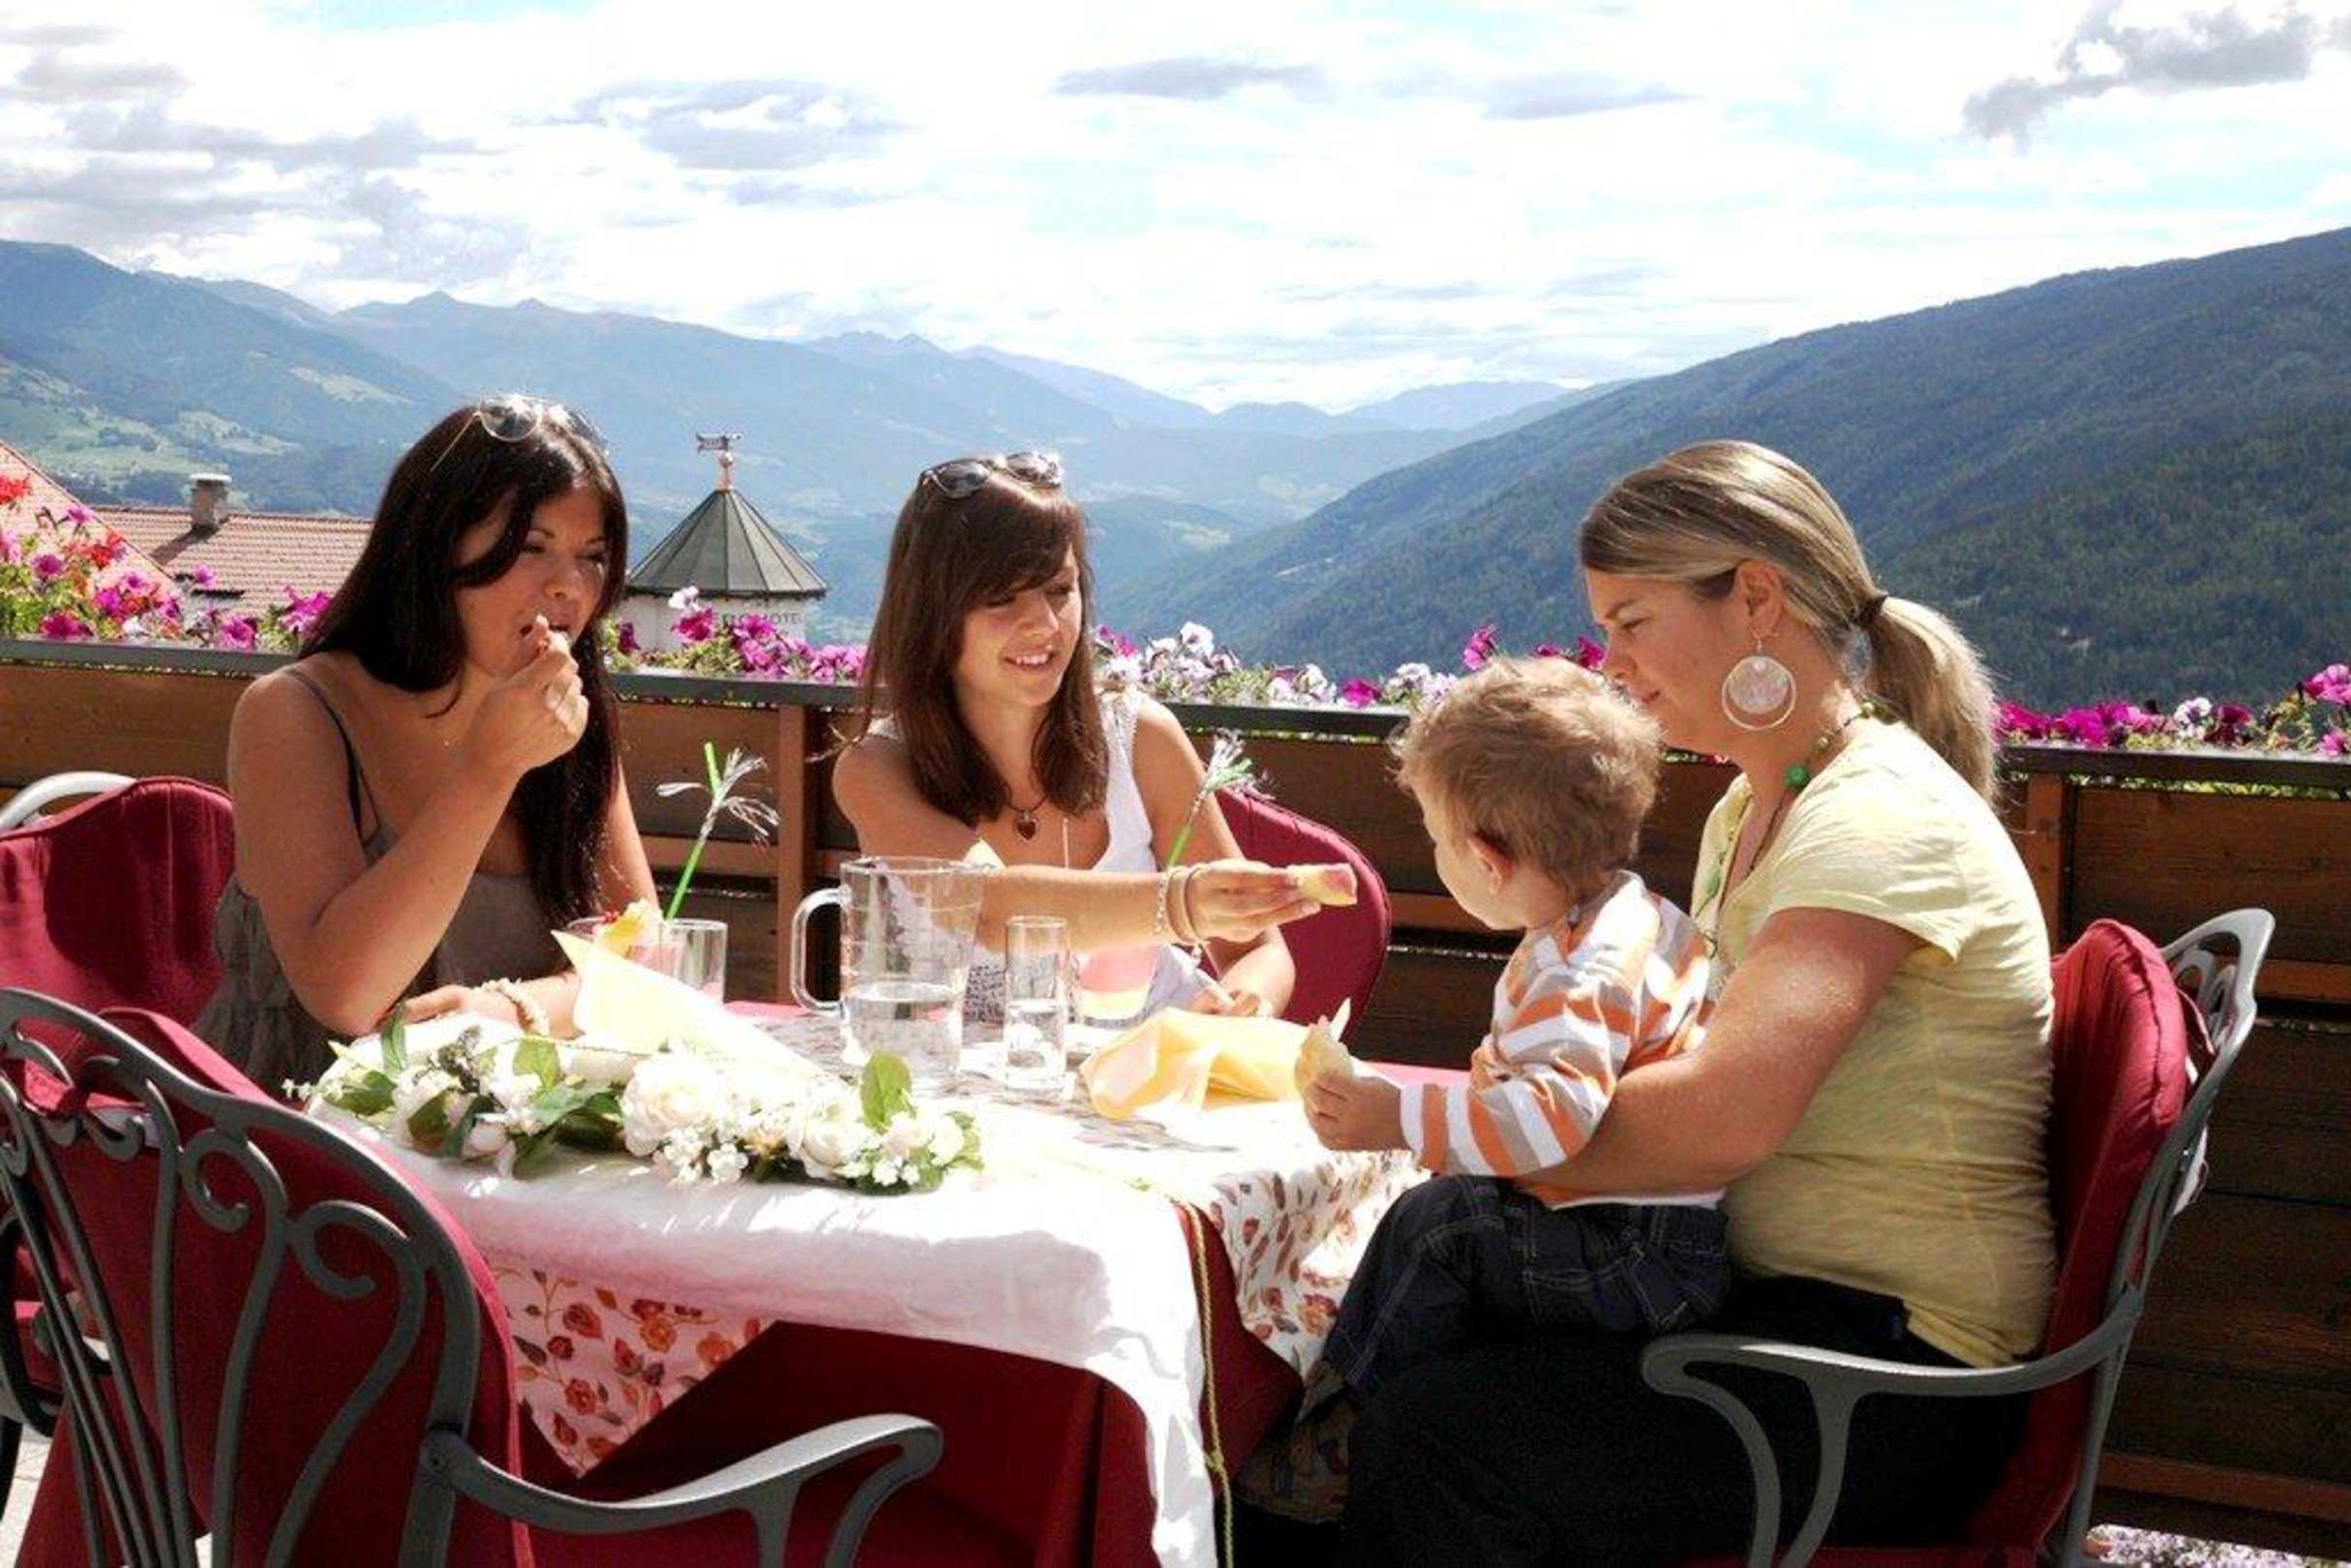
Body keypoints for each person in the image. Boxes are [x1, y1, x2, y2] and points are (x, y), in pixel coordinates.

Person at [1321, 440, 2055, 1563]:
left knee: (1435, 1436)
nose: (1608, 661)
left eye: (1629, 620)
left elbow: (1721, 1118)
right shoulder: (1752, 809)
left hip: (1887, 1376)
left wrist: (1485, 1134)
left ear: (1755, 598)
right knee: (1420, 1313)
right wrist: (1499, 1127)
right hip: (1777, 1310)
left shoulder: (1874, 821)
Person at [1248, 656, 1724, 1522]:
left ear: (1483, 858)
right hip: (1651, 1235)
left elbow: (1555, 1121)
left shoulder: (1578, 974)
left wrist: (1399, 1116)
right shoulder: (1630, 914)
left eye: (1435, 839)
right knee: (1444, 1212)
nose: (1438, 856)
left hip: (1636, 1255)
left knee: (1438, 1227)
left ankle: (1346, 1432)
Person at [198, 396, 658, 1095]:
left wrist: (507, 1013)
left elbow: (641, 955)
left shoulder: (565, 719)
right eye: (531, 548)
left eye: (592, 557)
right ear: (436, 548)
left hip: (505, 1124)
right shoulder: (296, 712)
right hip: (293, 1127)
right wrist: (489, 768)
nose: (567, 586)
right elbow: (348, 996)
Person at [831, 451, 1319, 1015]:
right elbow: (987, 908)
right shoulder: (876, 768)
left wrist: (1239, 1011)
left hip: (1155, 1063)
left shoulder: (1142, 737)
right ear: (932, 615)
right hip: (966, 1073)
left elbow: (1258, 950)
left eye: (1060, 590)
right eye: (1001, 599)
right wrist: (1182, 904)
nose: (1044, 623)